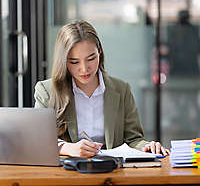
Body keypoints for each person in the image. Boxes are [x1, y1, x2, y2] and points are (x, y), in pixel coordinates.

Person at [34, 20, 170, 157]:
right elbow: (39, 139)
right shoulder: (46, 91)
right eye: (74, 62)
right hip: (67, 173)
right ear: (63, 61)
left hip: (111, 171)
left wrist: (146, 146)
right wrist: (65, 148)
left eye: (91, 58)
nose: (84, 69)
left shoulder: (121, 90)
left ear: (99, 52)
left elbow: (133, 139)